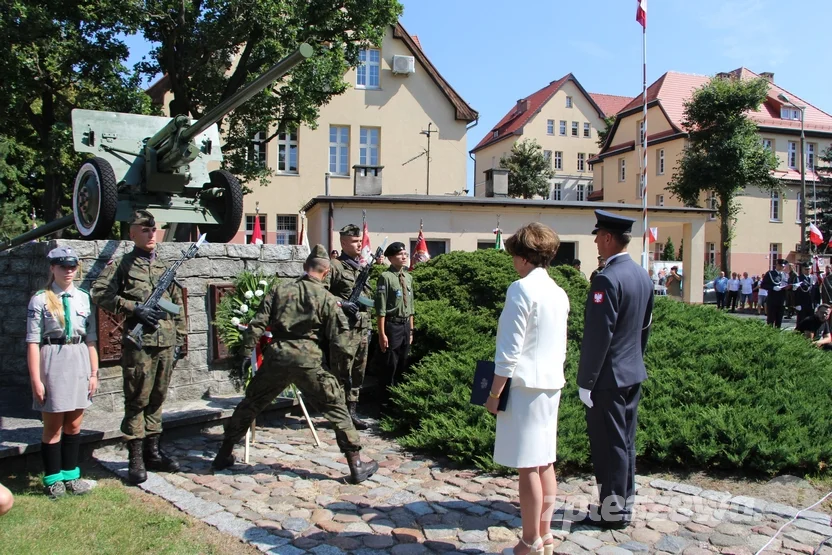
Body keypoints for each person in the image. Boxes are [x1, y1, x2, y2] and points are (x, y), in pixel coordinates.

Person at [212, 245, 379, 484]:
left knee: (251, 404)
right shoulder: (327, 299)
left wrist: (244, 354)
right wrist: (340, 373)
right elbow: (340, 341)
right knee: (336, 407)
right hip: (310, 362)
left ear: (305, 267)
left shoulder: (280, 291)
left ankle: (224, 453)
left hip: (277, 358)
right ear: (327, 272)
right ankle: (356, 464)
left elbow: (257, 324)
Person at [485, 223, 569, 555]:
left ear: (523, 257)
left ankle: (530, 540)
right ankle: (544, 536)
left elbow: (508, 351)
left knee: (528, 466)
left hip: (523, 387)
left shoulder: (520, 289)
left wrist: (493, 395)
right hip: (550, 384)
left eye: (513, 256)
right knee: (545, 462)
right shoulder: (558, 292)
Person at [91, 210, 186, 484]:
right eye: (144, 230)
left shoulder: (165, 267)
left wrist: (179, 340)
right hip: (140, 344)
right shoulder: (123, 264)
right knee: (137, 400)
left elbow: (176, 308)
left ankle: (153, 452)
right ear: (132, 233)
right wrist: (134, 308)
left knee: (158, 398)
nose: (151, 233)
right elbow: (99, 292)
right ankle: (135, 458)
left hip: (165, 343)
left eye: (153, 229)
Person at [577, 210, 654, 530]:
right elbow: (645, 328)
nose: (595, 241)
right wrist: (634, 360)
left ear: (608, 238)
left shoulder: (607, 278)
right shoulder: (641, 275)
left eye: (598, 236)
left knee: (609, 446)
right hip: (631, 370)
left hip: (608, 378)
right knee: (625, 443)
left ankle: (612, 512)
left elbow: (598, 337)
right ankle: (623, 504)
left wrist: (586, 381)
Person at [27, 247, 99, 498]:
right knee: (53, 425)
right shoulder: (41, 299)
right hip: (53, 360)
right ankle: (53, 480)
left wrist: (94, 373)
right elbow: (33, 342)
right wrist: (36, 379)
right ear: (52, 268)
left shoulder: (82, 297)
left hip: (78, 357)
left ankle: (71, 476)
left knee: (75, 424)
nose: (68, 271)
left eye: (72, 266)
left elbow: (90, 339)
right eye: (62, 266)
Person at [325, 224, 373, 430]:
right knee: (341, 371)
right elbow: (320, 292)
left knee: (358, 371)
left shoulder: (362, 267)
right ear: (343, 242)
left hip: (362, 327)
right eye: (354, 241)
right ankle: (338, 413)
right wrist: (342, 303)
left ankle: (352, 412)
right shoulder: (334, 266)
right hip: (343, 328)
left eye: (360, 240)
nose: (359, 243)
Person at [375, 242, 415, 412]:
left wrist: (411, 330)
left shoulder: (408, 277)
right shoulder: (386, 277)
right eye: (400, 254)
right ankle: (385, 404)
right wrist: (382, 333)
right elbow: (381, 308)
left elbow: (411, 306)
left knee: (403, 364)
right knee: (390, 365)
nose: (404, 256)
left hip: (405, 325)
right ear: (391, 258)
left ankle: (398, 401)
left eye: (405, 253)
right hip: (392, 325)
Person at [761, 259, 790, 328]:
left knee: (779, 320)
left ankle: (777, 336)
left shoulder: (785, 275)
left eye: (783, 266)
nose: (782, 268)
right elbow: (763, 285)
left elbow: (787, 284)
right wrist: (773, 288)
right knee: (771, 320)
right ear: (776, 265)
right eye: (780, 266)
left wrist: (791, 288)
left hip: (782, 300)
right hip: (772, 300)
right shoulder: (770, 274)